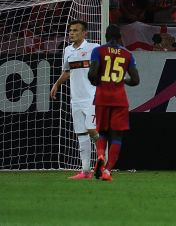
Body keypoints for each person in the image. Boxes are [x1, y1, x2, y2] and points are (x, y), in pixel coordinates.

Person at [87, 24, 140, 182]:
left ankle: (101, 156)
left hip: (102, 97)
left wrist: (97, 82)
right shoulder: (128, 54)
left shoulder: (98, 51)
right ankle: (108, 171)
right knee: (117, 135)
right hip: (119, 99)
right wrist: (123, 80)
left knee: (102, 132)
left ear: (106, 37)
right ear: (120, 37)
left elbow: (92, 73)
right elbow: (136, 80)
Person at [49, 20, 98, 179]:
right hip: (75, 99)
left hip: (92, 96)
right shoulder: (68, 50)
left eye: (75, 30)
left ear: (84, 33)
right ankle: (85, 171)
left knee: (93, 131)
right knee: (81, 134)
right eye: (70, 30)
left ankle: (104, 162)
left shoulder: (94, 48)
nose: (71, 33)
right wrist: (56, 84)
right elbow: (67, 71)